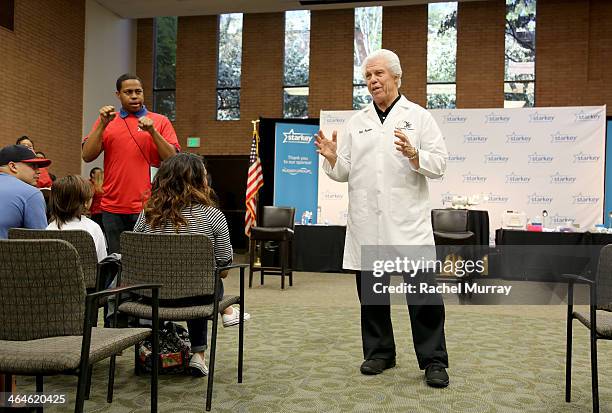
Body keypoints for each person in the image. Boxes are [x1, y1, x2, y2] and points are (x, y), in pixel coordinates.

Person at [315, 49, 450, 387]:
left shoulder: (419, 117)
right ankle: (380, 353)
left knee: (423, 298)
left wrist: (415, 154)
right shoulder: (356, 122)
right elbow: (343, 171)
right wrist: (332, 159)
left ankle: (433, 360)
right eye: (368, 77)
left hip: (409, 225)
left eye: (379, 74)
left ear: (396, 77)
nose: (373, 81)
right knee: (373, 296)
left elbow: (440, 165)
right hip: (367, 224)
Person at [133, 153, 250, 377]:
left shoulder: (146, 216)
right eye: (205, 176)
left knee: (194, 279)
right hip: (198, 297)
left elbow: (134, 258)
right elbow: (224, 267)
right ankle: (199, 354)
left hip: (151, 296)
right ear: (198, 182)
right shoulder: (213, 216)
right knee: (205, 278)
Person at [82, 73, 180, 254]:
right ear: (118, 95)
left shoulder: (160, 121)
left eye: (138, 91)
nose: (134, 96)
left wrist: (152, 131)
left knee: (148, 259)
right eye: (128, 92)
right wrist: (102, 125)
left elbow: (173, 160)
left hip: (150, 206)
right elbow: (87, 156)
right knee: (117, 259)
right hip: (112, 206)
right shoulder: (107, 121)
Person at [46, 175, 108, 262]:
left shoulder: (49, 229)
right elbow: (102, 262)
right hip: (89, 275)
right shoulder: (93, 228)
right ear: (86, 202)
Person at [0, 144, 50, 238]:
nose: (39, 171)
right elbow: (41, 244)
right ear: (13, 166)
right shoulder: (31, 193)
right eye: (33, 166)